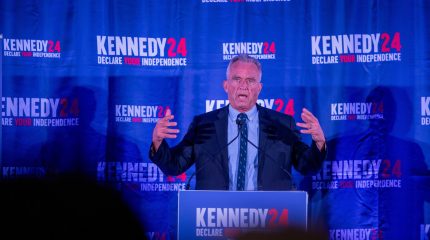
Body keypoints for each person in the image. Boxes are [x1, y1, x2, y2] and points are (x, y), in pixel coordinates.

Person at [150, 54, 326, 190]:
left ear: (259, 88)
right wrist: (158, 143)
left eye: (250, 81)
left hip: (269, 219)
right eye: (237, 79)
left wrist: (318, 144)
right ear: (226, 85)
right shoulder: (203, 124)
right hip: (216, 219)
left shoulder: (282, 124)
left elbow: (307, 167)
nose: (243, 86)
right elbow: (175, 165)